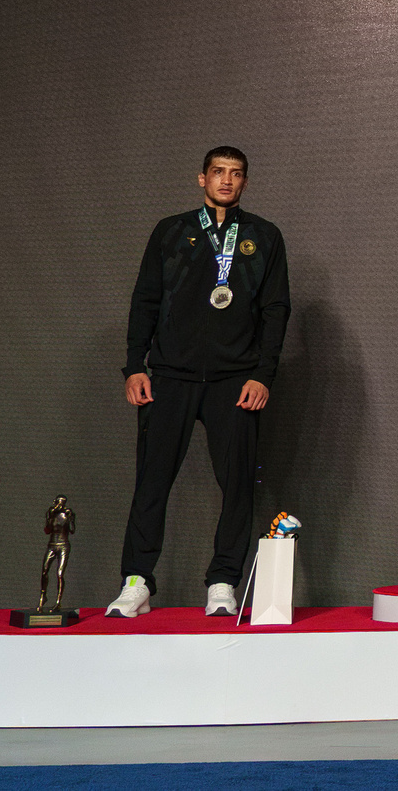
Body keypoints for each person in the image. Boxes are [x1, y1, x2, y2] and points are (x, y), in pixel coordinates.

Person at [104, 147, 290, 619]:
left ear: (245, 182)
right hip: (170, 376)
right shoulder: (171, 231)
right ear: (201, 179)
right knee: (151, 481)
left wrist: (262, 375)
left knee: (239, 484)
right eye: (218, 172)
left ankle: (223, 581)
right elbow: (145, 299)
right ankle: (136, 581)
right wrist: (135, 365)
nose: (227, 180)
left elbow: (275, 311)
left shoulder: (264, 236)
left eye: (236, 174)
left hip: (235, 380)